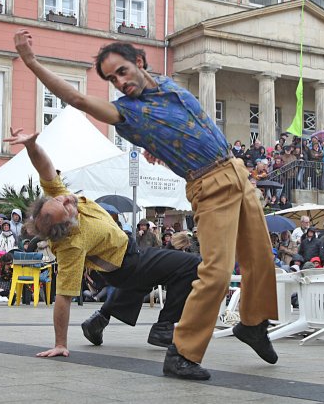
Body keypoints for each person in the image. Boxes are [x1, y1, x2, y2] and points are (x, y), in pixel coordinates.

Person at [14, 31, 278, 380]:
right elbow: (77, 99)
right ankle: (182, 353)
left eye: (122, 71)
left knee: (260, 256)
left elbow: (188, 127)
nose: (119, 83)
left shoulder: (168, 84)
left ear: (139, 62)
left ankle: (254, 324)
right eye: (111, 79)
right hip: (209, 185)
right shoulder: (128, 114)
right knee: (213, 270)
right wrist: (31, 62)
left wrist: (162, 147)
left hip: (236, 171)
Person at [5, 127, 202, 367]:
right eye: (65, 207)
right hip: (127, 264)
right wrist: (60, 343)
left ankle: (98, 320)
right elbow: (63, 297)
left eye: (59, 199)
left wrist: (31, 146)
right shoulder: (71, 245)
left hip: (125, 263)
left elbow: (44, 168)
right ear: (65, 226)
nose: (67, 199)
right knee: (191, 265)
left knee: (144, 278)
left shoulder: (58, 197)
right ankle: (164, 327)